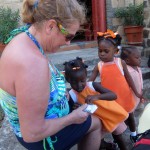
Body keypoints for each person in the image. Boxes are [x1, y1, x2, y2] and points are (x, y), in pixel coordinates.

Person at [0, 0, 103, 150]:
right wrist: (72, 118)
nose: (68, 43)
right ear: (51, 26)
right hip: (42, 139)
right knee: (96, 123)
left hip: (34, 123)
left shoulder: (25, 37)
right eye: (68, 36)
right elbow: (32, 133)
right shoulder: (33, 64)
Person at [88, 30, 143, 148]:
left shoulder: (120, 62)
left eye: (106, 51)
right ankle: (117, 142)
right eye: (100, 51)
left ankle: (133, 134)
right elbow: (90, 82)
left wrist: (137, 92)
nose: (102, 54)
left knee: (130, 116)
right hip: (110, 99)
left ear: (115, 51)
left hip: (124, 96)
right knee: (114, 123)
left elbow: (128, 78)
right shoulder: (99, 66)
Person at [64, 57, 129, 150]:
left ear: (86, 75)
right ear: (68, 80)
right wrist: (76, 108)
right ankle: (107, 146)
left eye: (82, 81)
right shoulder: (71, 95)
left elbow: (113, 95)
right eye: (74, 82)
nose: (79, 85)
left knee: (118, 136)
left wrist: (96, 97)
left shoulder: (92, 86)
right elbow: (71, 112)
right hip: (96, 121)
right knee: (96, 140)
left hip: (109, 115)